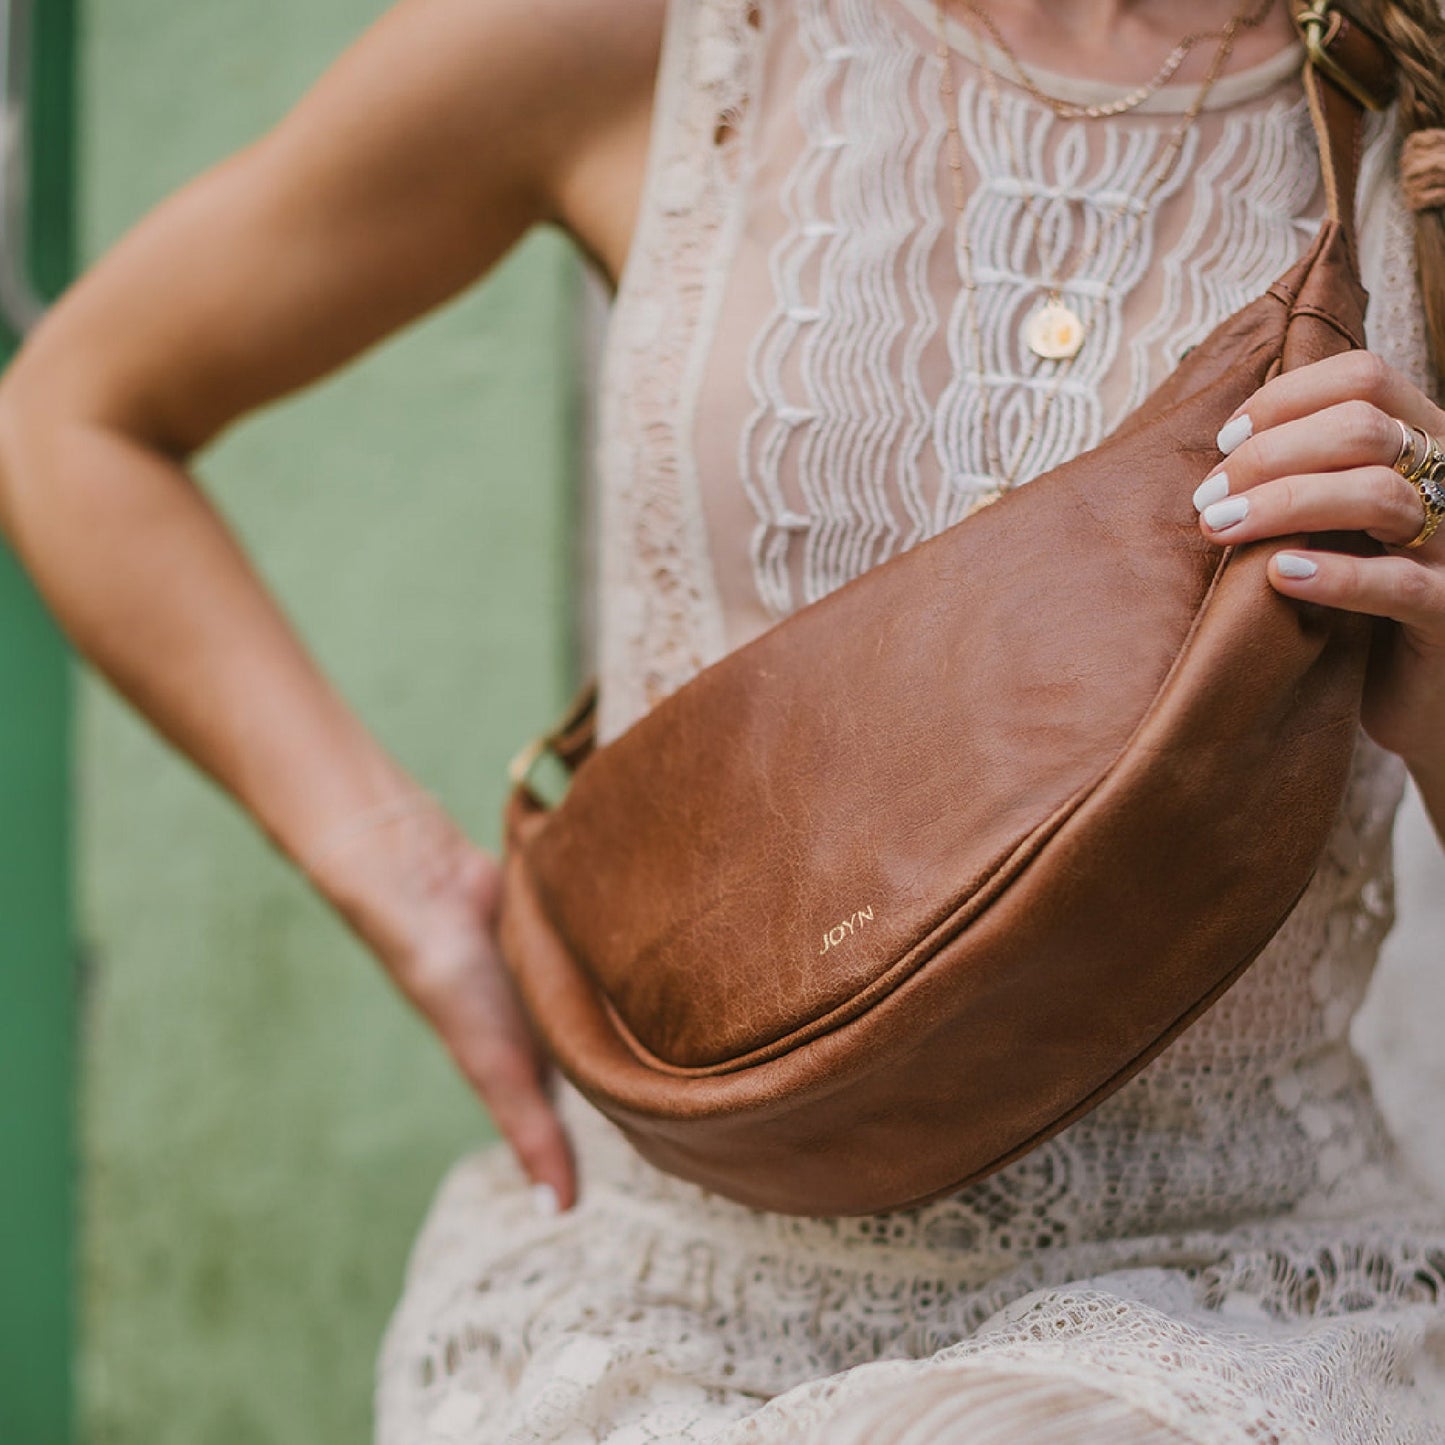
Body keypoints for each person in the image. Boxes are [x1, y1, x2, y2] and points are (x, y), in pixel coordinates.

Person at [3, 0, 1445, 1437]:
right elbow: (71, 415)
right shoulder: (659, 31)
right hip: (656, 1306)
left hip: (1223, 1313)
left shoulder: (1417, 123)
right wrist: (397, 870)